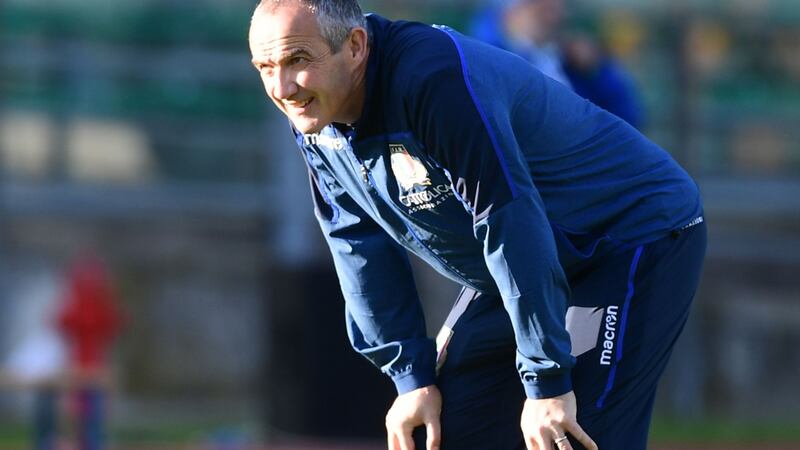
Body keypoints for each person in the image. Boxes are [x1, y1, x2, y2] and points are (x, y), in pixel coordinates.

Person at [248, 1, 706, 449]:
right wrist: (410, 376)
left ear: (355, 45)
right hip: (524, 260)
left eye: (297, 60)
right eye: (265, 67)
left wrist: (546, 380)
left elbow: (508, 220)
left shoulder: (430, 80)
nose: (282, 86)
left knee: (572, 434)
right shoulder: (316, 113)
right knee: (442, 428)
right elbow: (357, 241)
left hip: (627, 239)